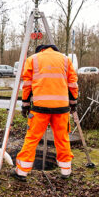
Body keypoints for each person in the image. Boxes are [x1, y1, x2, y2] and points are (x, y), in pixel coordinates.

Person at [10, 44, 78, 182]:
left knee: (32, 138)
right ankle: (66, 171)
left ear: (40, 50)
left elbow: (27, 84)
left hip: (40, 108)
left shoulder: (33, 59)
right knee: (62, 138)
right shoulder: (65, 60)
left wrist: (25, 104)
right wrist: (73, 103)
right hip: (61, 109)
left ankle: (22, 172)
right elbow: (73, 83)